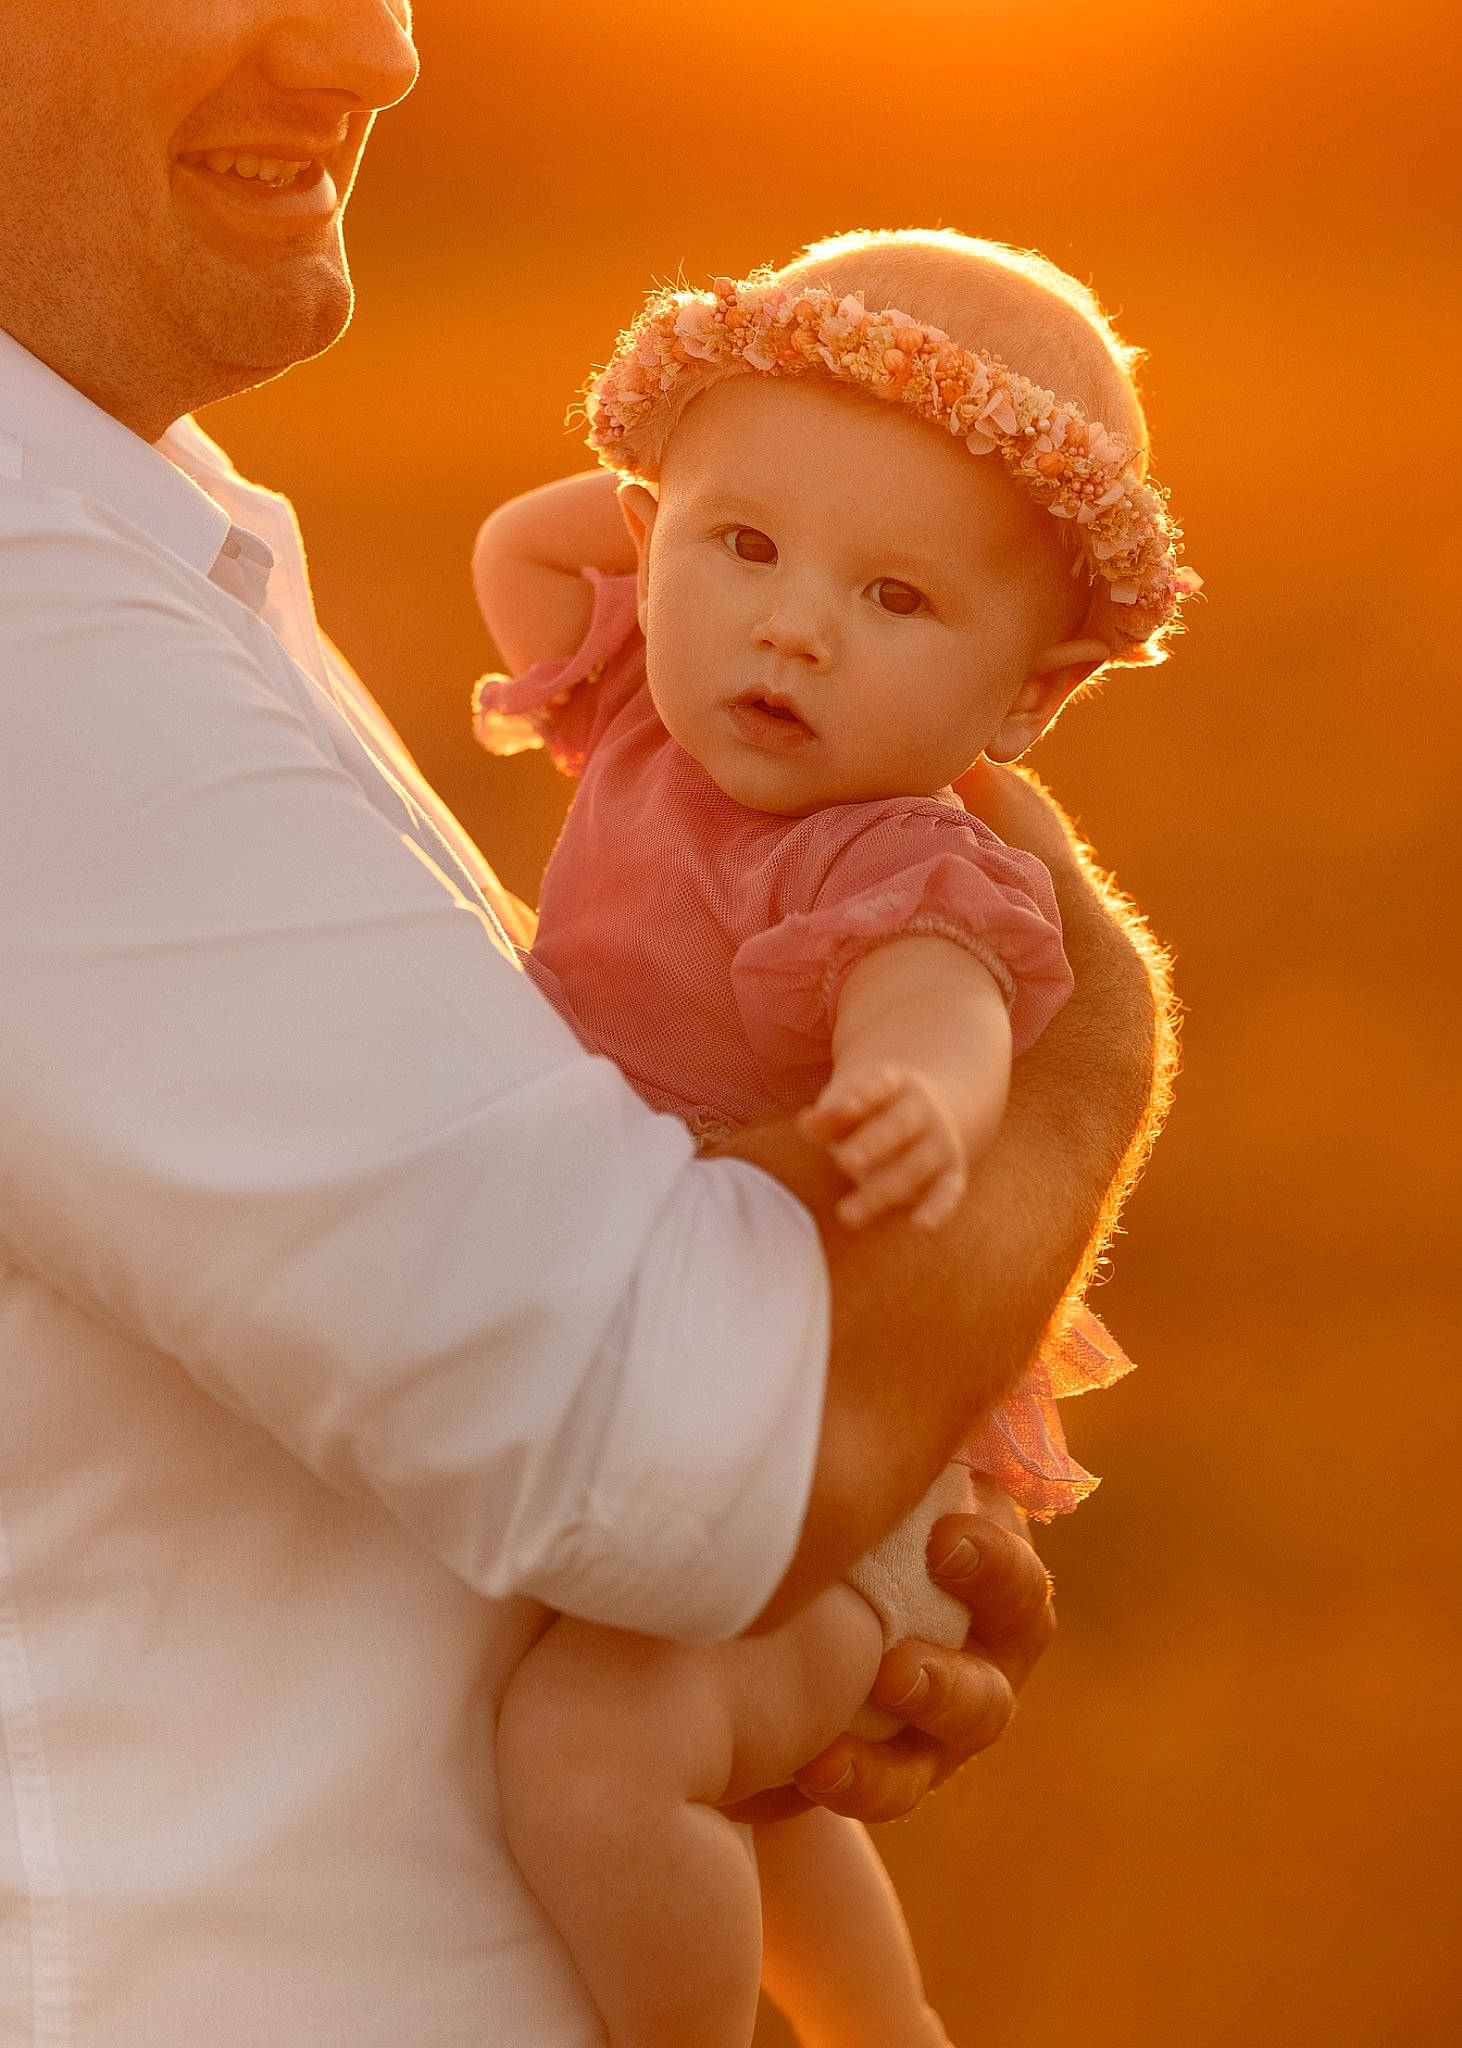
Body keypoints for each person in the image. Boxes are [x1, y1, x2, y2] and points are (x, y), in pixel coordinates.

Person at [0, 9, 1168, 2047]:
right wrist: (1084, 1051)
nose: (378, 46)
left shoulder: (132, 525)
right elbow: (680, 1443)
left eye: (894, 592)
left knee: (726, 1756)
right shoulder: (36, 629)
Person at [473, 232, 1195, 2047]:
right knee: (751, 1797)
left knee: (601, 1750)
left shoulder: (900, 852)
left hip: (846, 1459)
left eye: (896, 597)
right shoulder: (650, 713)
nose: (792, 624)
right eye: (749, 548)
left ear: (1024, 704)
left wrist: (919, 1101)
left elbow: (939, 1004)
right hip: (703, 1393)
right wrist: (685, 510)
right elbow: (523, 548)